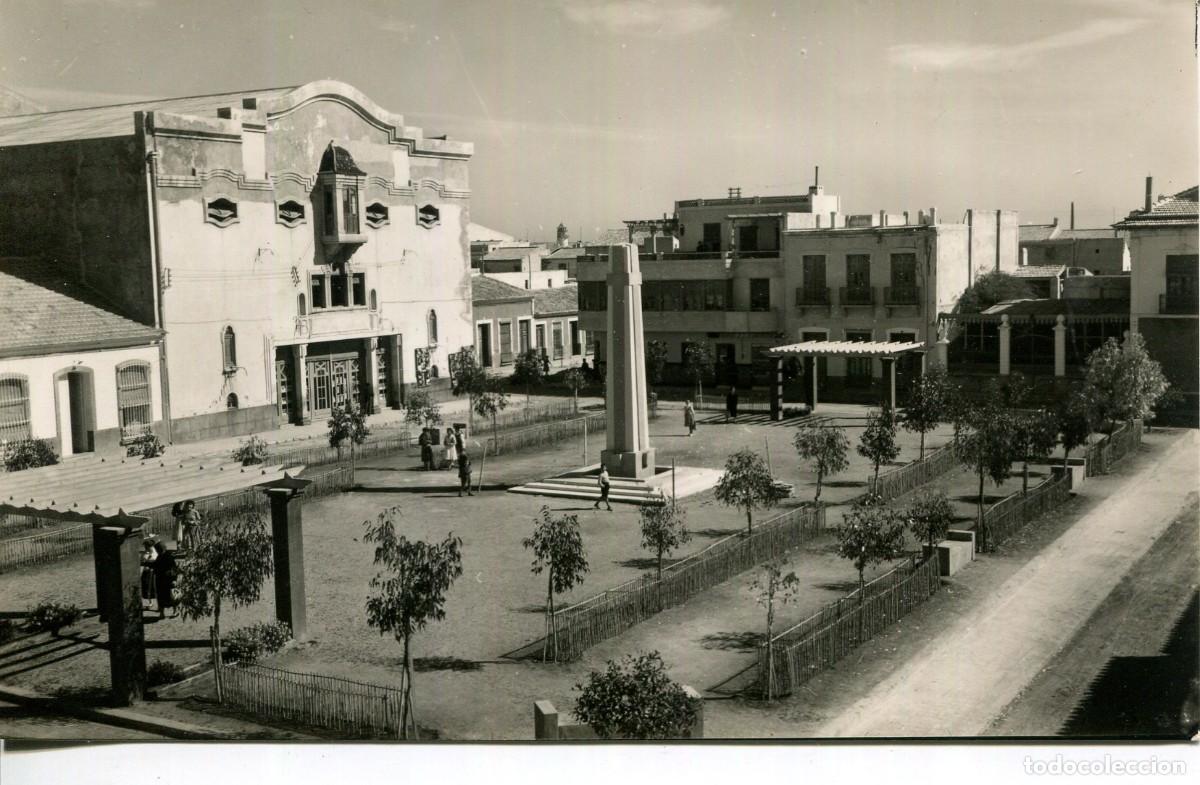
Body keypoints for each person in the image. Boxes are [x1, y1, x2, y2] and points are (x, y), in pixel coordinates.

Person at [152, 541, 179, 619]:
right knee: (160, 597)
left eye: (157, 550)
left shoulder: (169, 557)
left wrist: (174, 579)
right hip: (160, 580)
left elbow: (174, 569)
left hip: (168, 580)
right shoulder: (159, 556)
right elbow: (155, 565)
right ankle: (162, 613)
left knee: (172, 596)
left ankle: (175, 611)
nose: (157, 552)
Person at [140, 538, 158, 606]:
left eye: (146, 546)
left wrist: (147, 560)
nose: (145, 548)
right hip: (146, 571)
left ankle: (155, 603)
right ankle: (150, 602)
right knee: (146, 587)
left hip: (153, 572)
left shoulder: (154, 553)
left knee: (153, 587)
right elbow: (142, 561)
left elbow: (155, 560)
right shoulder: (146, 553)